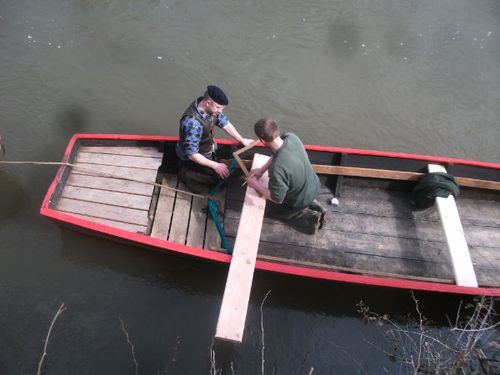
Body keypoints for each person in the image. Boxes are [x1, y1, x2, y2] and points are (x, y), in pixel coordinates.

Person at [246, 118, 327, 234]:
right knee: (299, 192)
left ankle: (311, 217)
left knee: (274, 211)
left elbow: (277, 199)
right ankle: (319, 207)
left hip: (300, 199)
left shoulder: (277, 168)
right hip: (314, 185)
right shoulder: (291, 137)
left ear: (262, 141)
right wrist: (262, 169)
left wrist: (256, 185)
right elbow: (277, 152)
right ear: (276, 130)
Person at [176, 85, 253, 192]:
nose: (220, 111)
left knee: (224, 170)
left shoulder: (210, 109)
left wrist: (241, 139)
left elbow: (224, 122)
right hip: (192, 158)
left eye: (222, 108)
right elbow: (192, 154)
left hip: (206, 149)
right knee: (220, 177)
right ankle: (187, 175)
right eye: (218, 108)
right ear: (207, 103)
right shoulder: (192, 123)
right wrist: (216, 166)